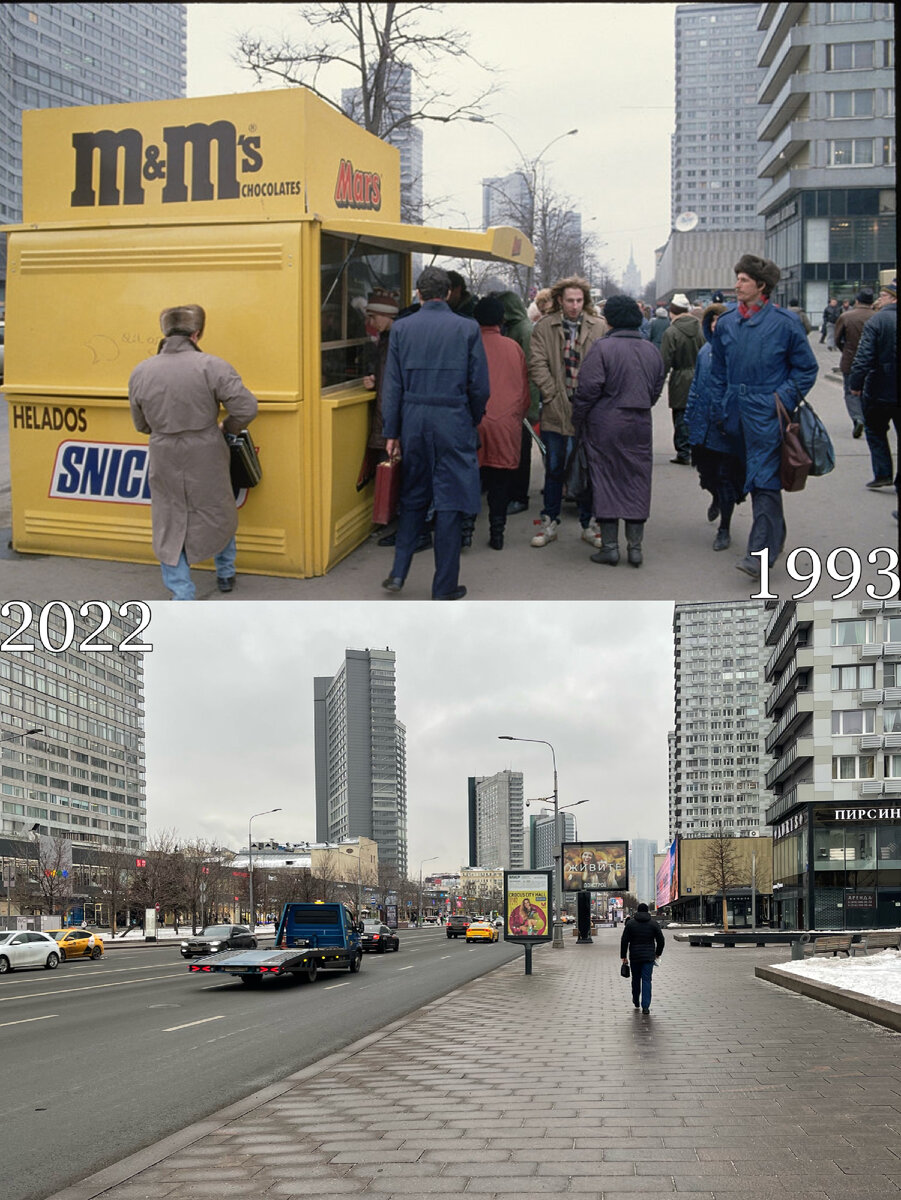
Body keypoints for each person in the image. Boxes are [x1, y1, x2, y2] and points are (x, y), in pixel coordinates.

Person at [128, 304, 258, 600]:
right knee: (217, 509)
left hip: (163, 451)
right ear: (196, 334)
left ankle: (181, 591)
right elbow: (247, 407)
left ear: (165, 333)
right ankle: (225, 572)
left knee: (169, 517)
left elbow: (140, 424)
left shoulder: (141, 371)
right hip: (207, 449)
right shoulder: (212, 366)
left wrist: (163, 431)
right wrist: (228, 427)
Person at [380, 266, 490, 600]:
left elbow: (392, 385)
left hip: (413, 418)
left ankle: (399, 571)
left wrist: (392, 430)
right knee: (449, 503)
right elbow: (480, 386)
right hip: (453, 417)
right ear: (447, 293)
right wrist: (471, 415)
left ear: (419, 293)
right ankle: (444, 587)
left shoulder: (401, 329)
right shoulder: (467, 328)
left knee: (413, 495)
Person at [706, 254, 818, 580]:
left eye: (743, 279)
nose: (736, 284)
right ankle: (775, 538)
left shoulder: (785, 324)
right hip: (734, 414)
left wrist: (779, 399)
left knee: (764, 479)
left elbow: (806, 369)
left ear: (761, 286)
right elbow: (718, 372)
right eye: (737, 278)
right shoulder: (726, 322)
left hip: (767, 414)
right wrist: (720, 405)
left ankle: (760, 556)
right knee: (753, 479)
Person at [571, 295, 665, 567]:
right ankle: (635, 548)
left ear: (609, 319)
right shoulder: (651, 351)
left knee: (606, 481)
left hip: (605, 424)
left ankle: (610, 547)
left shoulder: (602, 349)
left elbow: (587, 391)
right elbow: (655, 390)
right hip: (639, 424)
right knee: (637, 480)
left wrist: (579, 420)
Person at [529, 275, 607, 548]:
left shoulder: (598, 327)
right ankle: (549, 521)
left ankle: (589, 523)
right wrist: (552, 393)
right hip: (555, 409)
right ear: (560, 300)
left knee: (585, 468)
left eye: (579, 300)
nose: (574, 305)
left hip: (588, 410)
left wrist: (593, 398)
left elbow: (606, 365)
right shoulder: (544, 327)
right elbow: (536, 364)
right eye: (570, 300)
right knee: (554, 468)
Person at [685, 303, 746, 551]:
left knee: (726, 478)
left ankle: (725, 528)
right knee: (706, 474)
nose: (715, 325)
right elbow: (696, 385)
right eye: (712, 321)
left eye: (721, 320)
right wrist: (688, 416)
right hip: (703, 425)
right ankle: (715, 498)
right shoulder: (705, 351)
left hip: (726, 426)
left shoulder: (738, 352)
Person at [473, 296, 530, 550]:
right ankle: (498, 533)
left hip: (473, 423)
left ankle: (465, 531)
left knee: (470, 479)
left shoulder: (469, 345)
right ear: (501, 319)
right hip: (505, 423)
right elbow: (524, 392)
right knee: (499, 483)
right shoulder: (513, 348)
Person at [848, 276, 898, 496]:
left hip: (879, 389)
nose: (880, 298)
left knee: (876, 431)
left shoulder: (877, 322)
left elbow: (864, 357)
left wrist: (855, 384)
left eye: (885, 295)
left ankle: (883, 473)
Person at [496, 290, 540, 516]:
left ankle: (519, 496)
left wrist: (529, 407)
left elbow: (532, 372)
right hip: (514, 400)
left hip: (522, 402)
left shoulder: (524, 330)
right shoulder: (515, 328)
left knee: (521, 451)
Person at [661, 292, 704, 465]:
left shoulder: (671, 332)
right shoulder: (700, 328)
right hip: (699, 375)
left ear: (672, 311)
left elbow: (665, 359)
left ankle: (683, 451)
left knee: (680, 415)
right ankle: (697, 449)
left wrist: (657, 383)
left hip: (680, 377)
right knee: (697, 414)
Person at [834, 288, 876, 442]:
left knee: (851, 392)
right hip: (873, 361)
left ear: (857, 301)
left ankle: (857, 418)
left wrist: (845, 350)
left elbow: (837, 339)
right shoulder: (877, 316)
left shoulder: (846, 316)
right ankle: (868, 418)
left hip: (850, 359)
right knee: (869, 391)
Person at [620, 902, 664, 1014]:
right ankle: (645, 1006)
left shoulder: (630, 924)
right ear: (648, 911)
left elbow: (624, 941)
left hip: (635, 956)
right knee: (646, 980)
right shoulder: (653, 924)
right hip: (649, 957)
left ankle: (635, 1000)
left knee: (635, 979)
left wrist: (623, 956)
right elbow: (661, 940)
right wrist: (658, 953)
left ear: (637, 911)